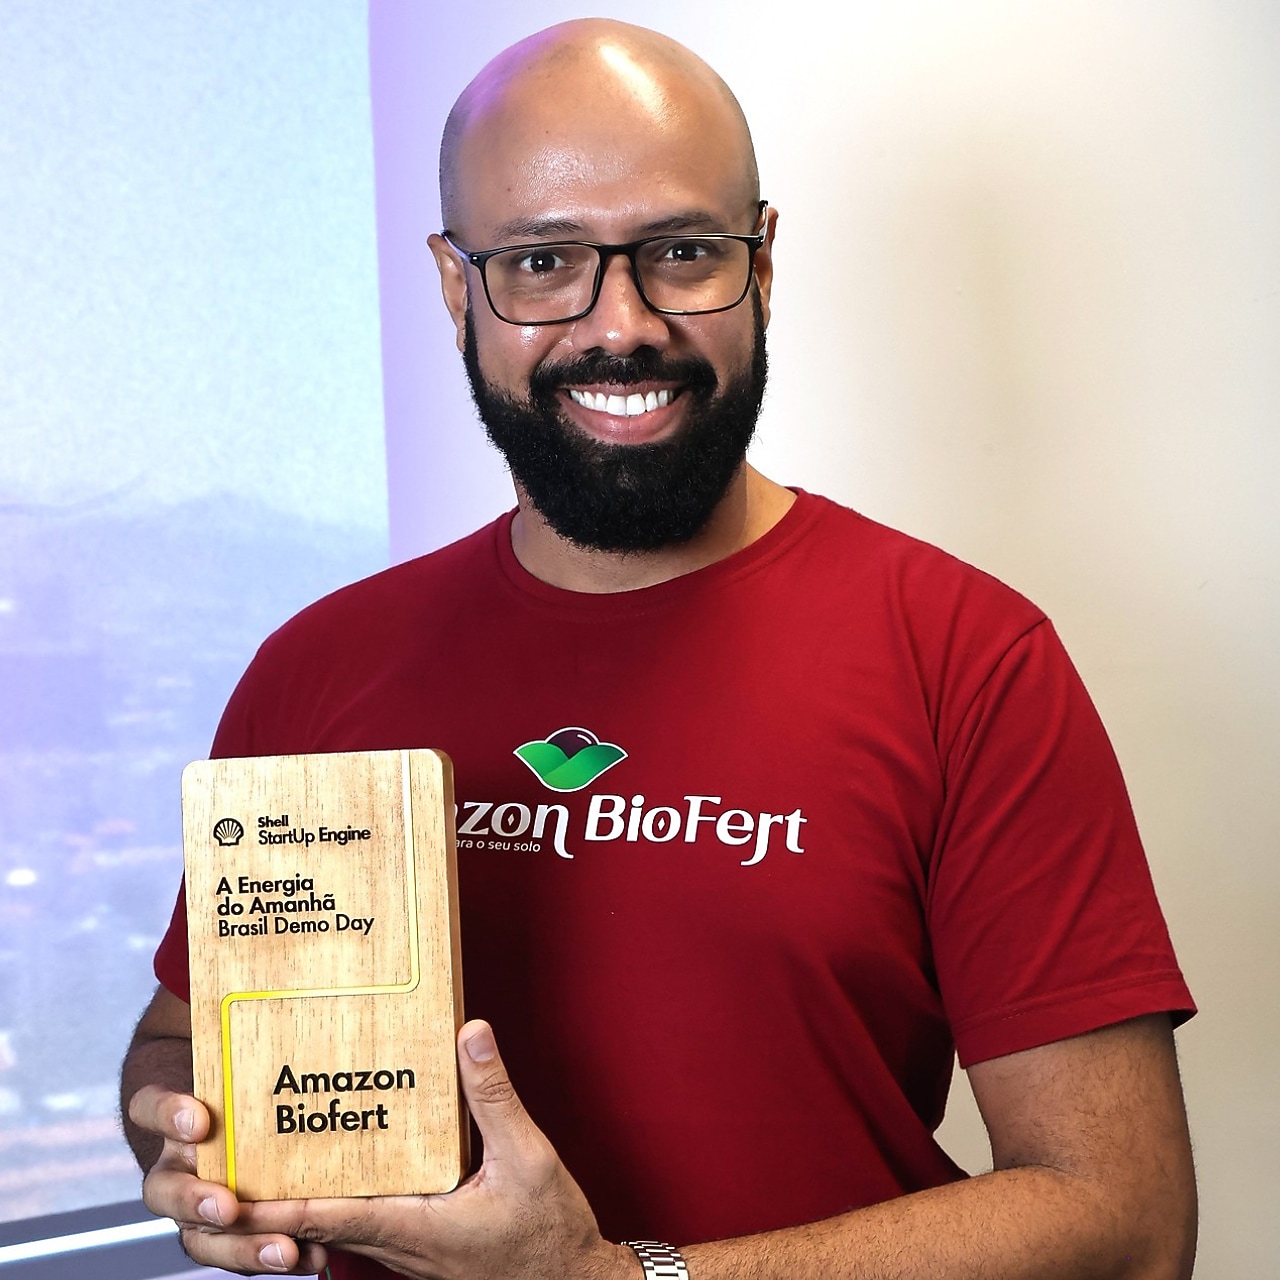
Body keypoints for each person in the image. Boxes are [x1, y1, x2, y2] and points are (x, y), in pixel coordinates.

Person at [121, 18, 1197, 1280]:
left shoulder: (965, 655)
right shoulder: (317, 665)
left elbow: (1122, 1218)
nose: (618, 324)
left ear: (764, 260)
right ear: (457, 286)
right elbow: (178, 1037)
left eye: (681, 252)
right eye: (540, 261)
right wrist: (194, 1140)